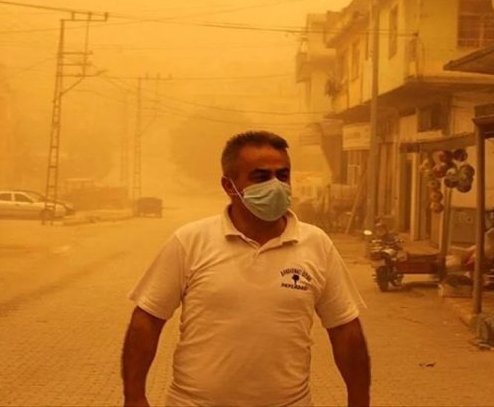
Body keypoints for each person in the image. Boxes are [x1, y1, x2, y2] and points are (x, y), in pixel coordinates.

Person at [121, 130, 370, 407]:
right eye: (261, 177)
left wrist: (359, 401)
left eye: (283, 175)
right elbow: (147, 320)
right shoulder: (190, 241)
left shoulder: (316, 244)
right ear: (229, 186)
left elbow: (345, 329)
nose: (276, 185)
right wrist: (134, 396)